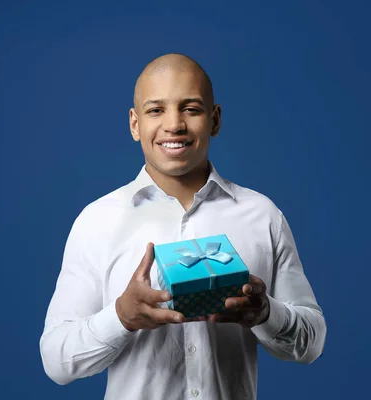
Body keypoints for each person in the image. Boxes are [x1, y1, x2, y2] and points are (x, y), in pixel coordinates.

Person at [39, 53, 326, 399]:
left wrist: (267, 313)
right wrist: (121, 317)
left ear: (215, 120)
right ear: (134, 124)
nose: (174, 124)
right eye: (155, 110)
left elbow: (312, 342)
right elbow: (56, 360)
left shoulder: (262, 216)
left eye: (190, 108)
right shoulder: (97, 222)